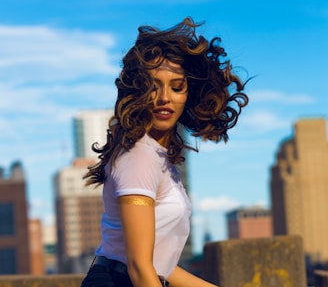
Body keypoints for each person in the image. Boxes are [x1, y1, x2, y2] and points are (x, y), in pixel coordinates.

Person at [80, 17, 249, 287]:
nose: (164, 98)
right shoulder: (139, 157)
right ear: (138, 92)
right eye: (153, 86)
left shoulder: (157, 157)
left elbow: (162, 266)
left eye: (176, 87)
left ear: (188, 94)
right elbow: (138, 267)